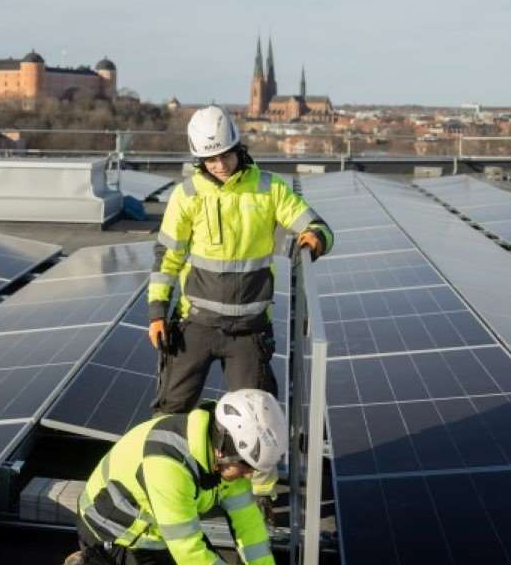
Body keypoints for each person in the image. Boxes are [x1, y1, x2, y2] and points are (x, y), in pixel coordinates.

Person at [148, 105, 333, 414]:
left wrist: (315, 239)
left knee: (257, 418)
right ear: (200, 159)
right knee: (171, 411)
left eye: (225, 155)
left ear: (238, 148)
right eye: (211, 159)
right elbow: (167, 259)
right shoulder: (187, 195)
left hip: (249, 330)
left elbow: (320, 228)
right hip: (196, 325)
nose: (220, 165)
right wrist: (157, 312)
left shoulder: (269, 188)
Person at [64, 389, 287, 565]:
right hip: (113, 529)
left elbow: (249, 527)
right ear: (223, 451)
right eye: (247, 466)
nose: (250, 474)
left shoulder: (223, 457)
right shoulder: (169, 465)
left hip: (159, 527)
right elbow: (188, 550)